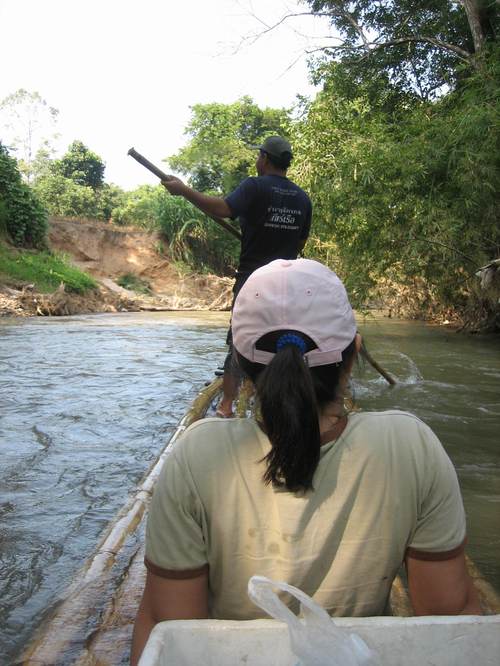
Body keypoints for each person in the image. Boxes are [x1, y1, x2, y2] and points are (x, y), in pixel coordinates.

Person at [131, 258, 480, 664]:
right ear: (353, 356)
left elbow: (172, 632)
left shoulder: (197, 454)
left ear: (241, 368)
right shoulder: (410, 442)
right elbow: (450, 621)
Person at [161, 136, 312, 417]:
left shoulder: (254, 187)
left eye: (259, 157)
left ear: (265, 159)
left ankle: (227, 405)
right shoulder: (303, 199)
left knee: (240, 342)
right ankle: (271, 401)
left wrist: (183, 190)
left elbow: (222, 208)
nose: (257, 161)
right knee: (279, 340)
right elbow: (300, 244)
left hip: (252, 283)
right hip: (287, 284)